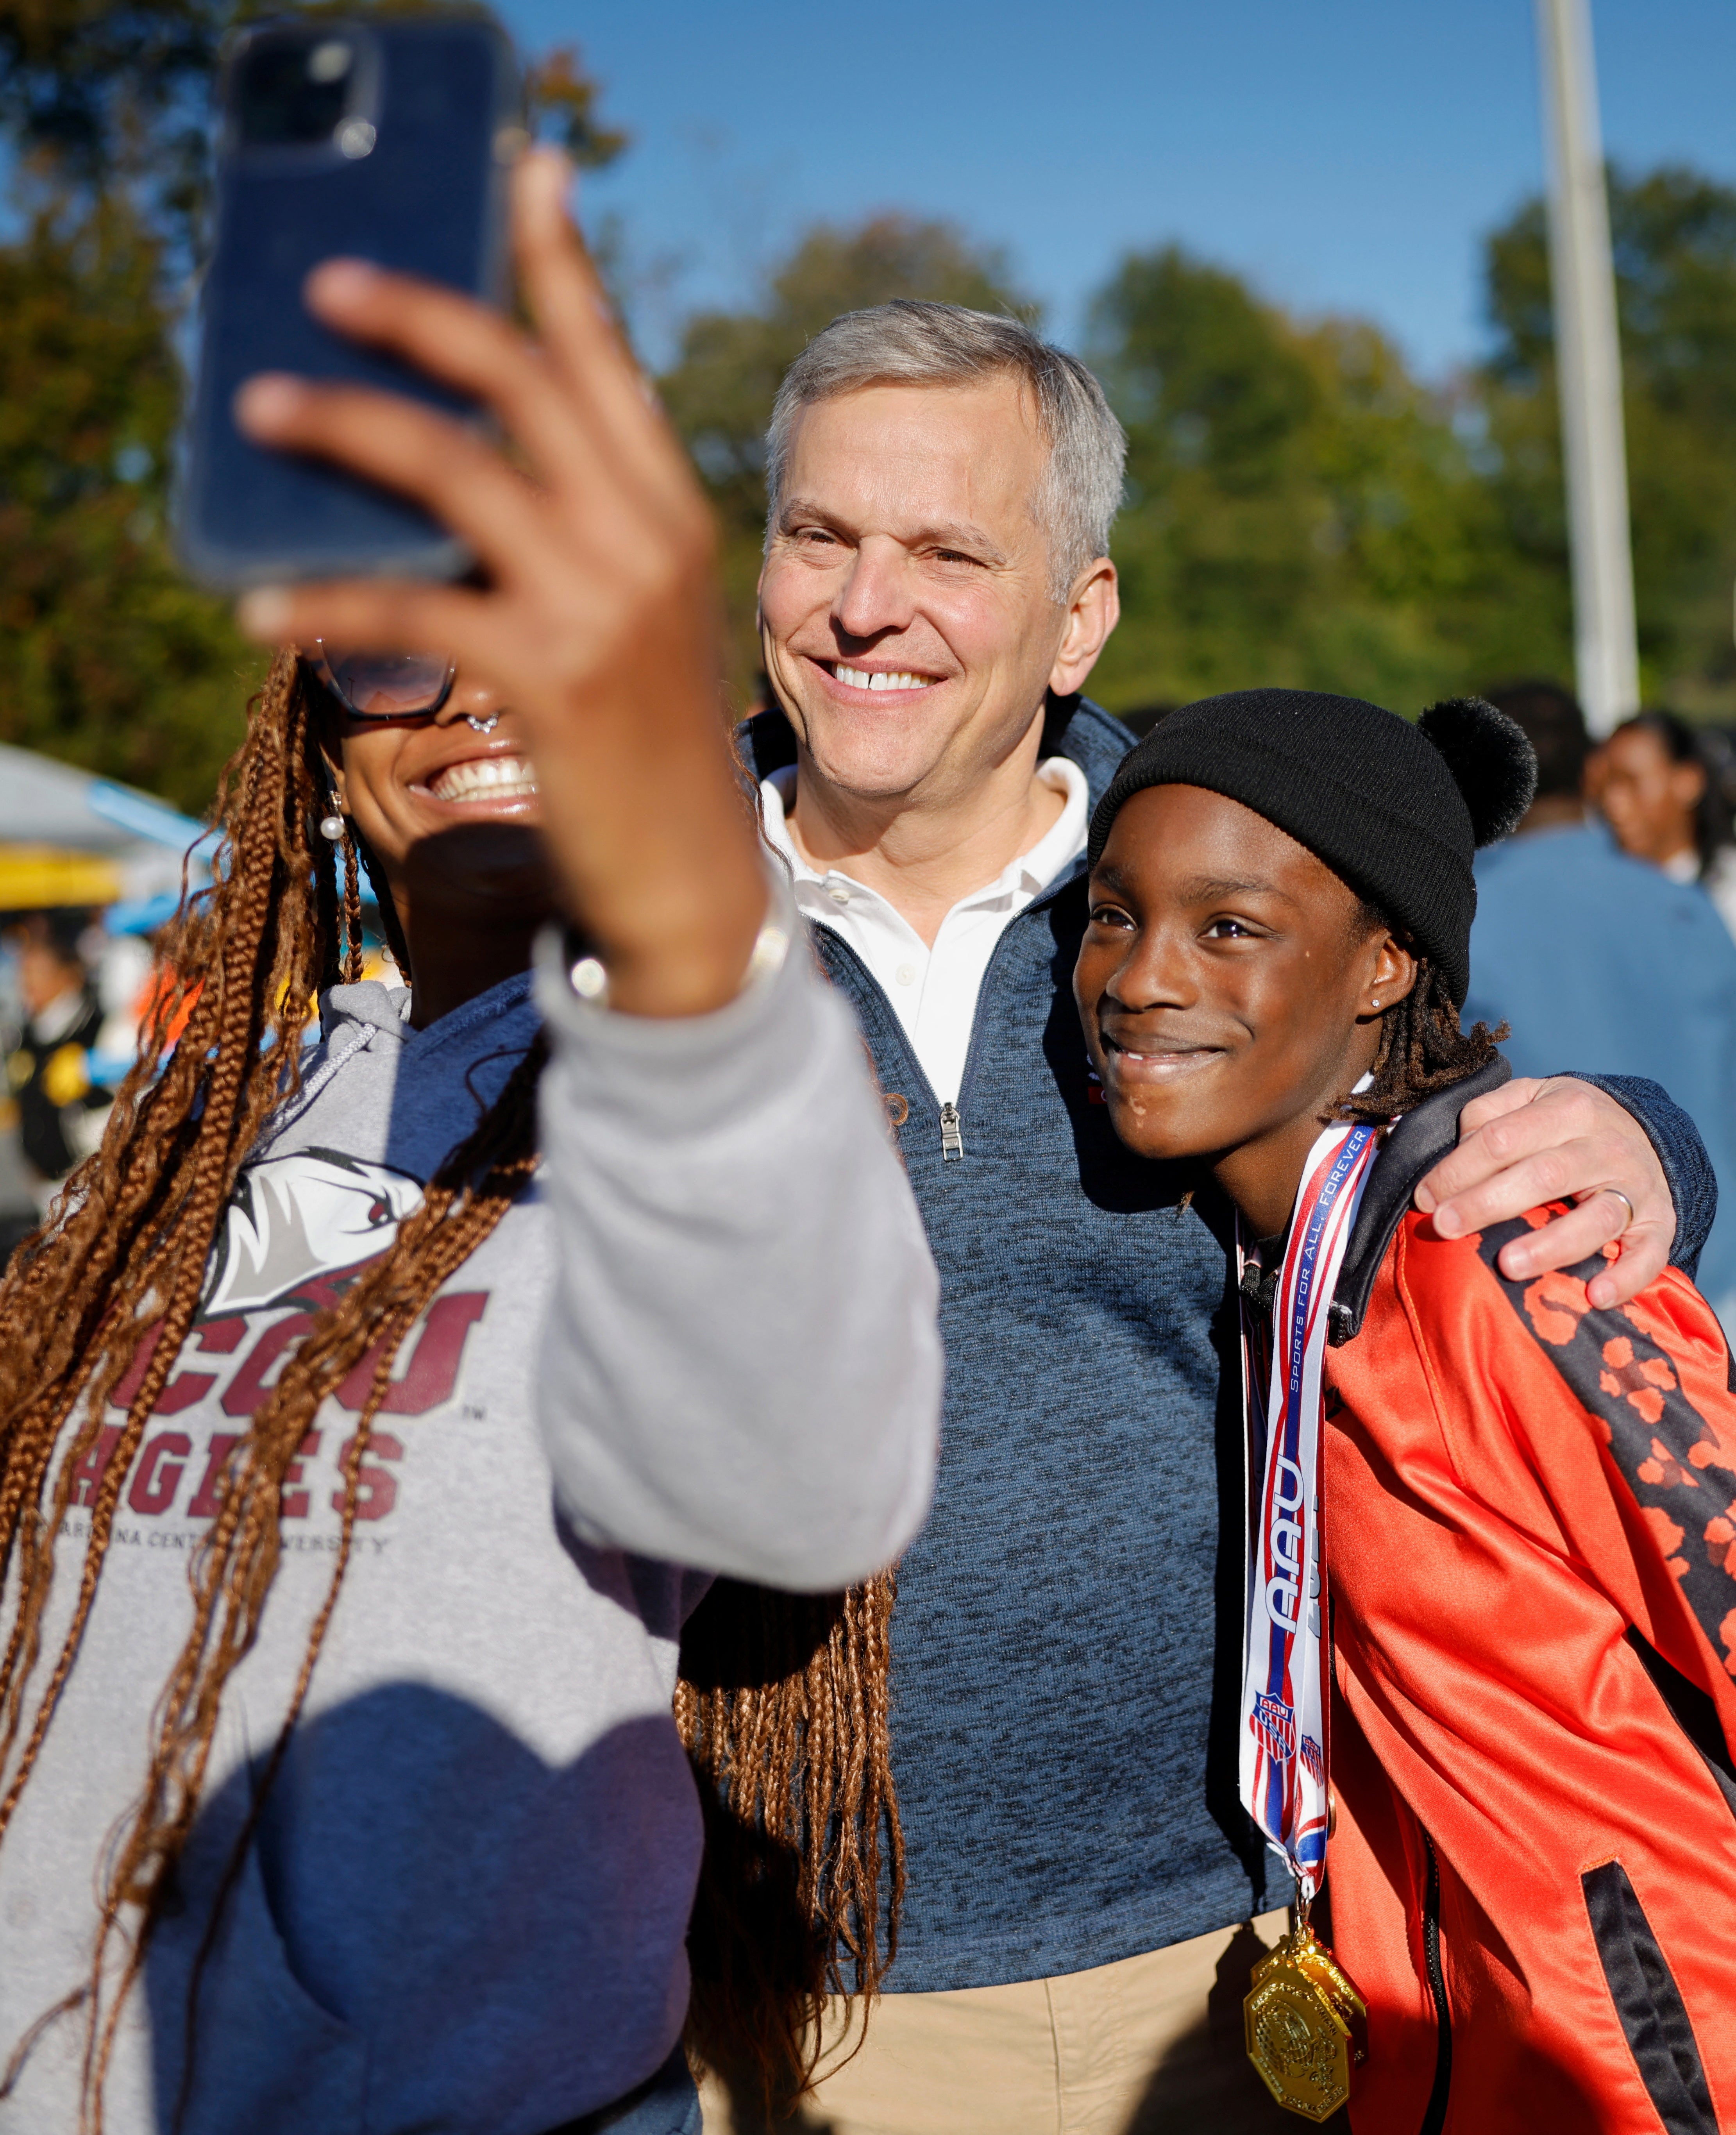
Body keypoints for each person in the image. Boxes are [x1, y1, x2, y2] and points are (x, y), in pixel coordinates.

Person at [0, 148, 941, 2135]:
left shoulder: (702, 1092)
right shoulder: (174, 1132)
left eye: (529, 617)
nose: (470, 678)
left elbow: (805, 1466)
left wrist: (683, 906)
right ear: (317, 731)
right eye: (395, 633)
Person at [686, 301, 1715, 2133]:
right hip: (800, 1997)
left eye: (944, 550)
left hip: (1246, 1960)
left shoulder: (1188, 869)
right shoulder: (624, 931)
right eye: (819, 535)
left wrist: (1644, 1141)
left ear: (1075, 610)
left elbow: (1421, 1102)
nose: (865, 605)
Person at [1075, 686, 1736, 2133]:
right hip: (1437, 2066)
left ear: (1383, 961)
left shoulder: (1510, 1263)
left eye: (1227, 925)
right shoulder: (1267, 1263)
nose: (1136, 975)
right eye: (1112, 915)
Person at [1466, 681, 1736, 1316]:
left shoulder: (1459, 919)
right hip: (1714, 1281)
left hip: (1568, 1297)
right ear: (1589, 770)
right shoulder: (1686, 906)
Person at [1594, 708, 1736, 942]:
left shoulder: (1727, 891)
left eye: (1632, 783)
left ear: (1688, 781)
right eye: (1605, 786)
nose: (1613, 805)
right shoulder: (1600, 892)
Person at [5, 912, 110, 1207]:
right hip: (45, 1187)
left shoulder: (96, 1029)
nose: (26, 984)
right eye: (23, 974)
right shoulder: (28, 1034)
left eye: (35, 973)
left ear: (66, 974)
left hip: (92, 1183)